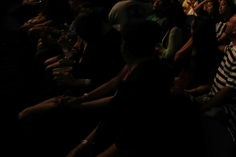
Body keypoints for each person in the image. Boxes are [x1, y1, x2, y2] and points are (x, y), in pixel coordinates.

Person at [66, 20, 182, 156]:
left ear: (123, 47)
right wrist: (83, 144)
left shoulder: (142, 83)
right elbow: (116, 104)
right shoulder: (147, 69)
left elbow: (127, 144)